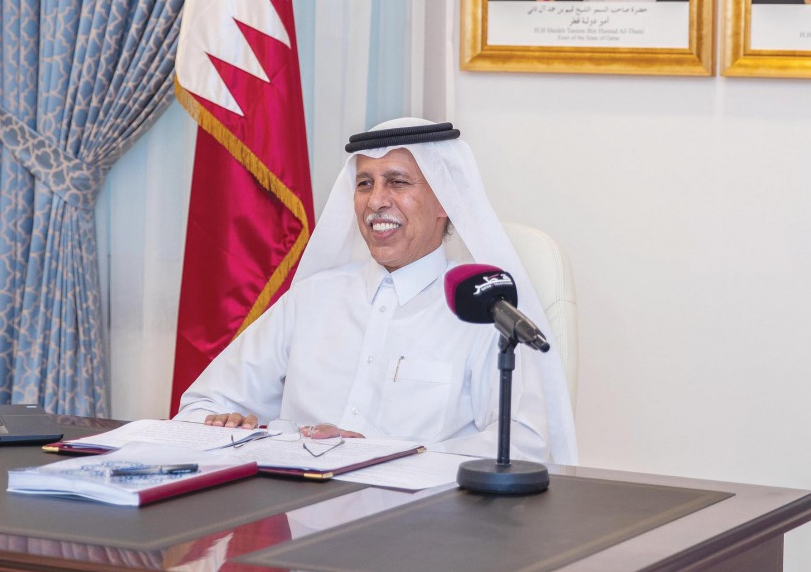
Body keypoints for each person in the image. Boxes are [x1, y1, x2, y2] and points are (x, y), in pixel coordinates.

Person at [175, 118, 578, 465]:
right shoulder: (312, 299)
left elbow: (524, 445)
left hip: (424, 533)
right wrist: (225, 429)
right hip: (298, 526)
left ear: (445, 201)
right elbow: (199, 407)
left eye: (397, 182)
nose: (376, 201)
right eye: (364, 184)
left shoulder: (484, 310)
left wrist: (392, 455)